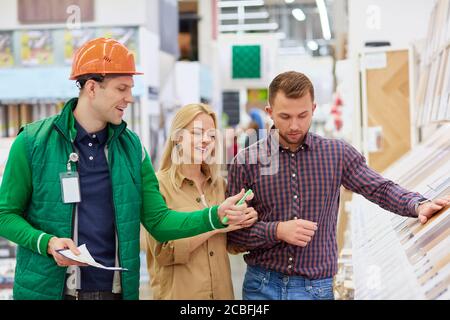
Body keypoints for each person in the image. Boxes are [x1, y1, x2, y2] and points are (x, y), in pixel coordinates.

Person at [0, 38, 250, 300]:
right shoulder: (32, 142)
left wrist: (214, 215)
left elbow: (159, 221)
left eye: (130, 89)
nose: (129, 98)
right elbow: (5, 214)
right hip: (48, 291)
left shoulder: (132, 149)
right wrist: (47, 243)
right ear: (92, 88)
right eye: (121, 88)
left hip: (115, 291)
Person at [226, 71, 450, 300]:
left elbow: (379, 188)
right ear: (269, 112)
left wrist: (418, 205)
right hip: (261, 287)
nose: (294, 125)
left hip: (315, 290)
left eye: (302, 115)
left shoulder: (336, 154)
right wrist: (277, 231)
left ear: (313, 109)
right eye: (285, 116)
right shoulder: (246, 161)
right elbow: (232, 238)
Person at [145, 103, 257, 299]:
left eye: (212, 136)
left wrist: (245, 220)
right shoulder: (157, 185)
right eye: (197, 133)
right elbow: (164, 253)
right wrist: (216, 224)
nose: (206, 140)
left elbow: (232, 245)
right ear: (178, 137)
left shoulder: (219, 185)